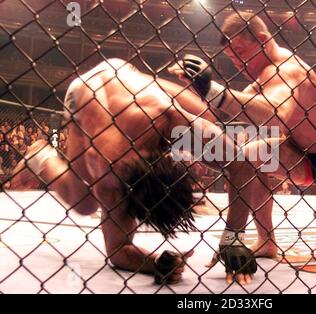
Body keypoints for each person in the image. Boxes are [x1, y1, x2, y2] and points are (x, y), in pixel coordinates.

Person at [168, 12, 316, 266]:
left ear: (262, 40)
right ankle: (266, 240)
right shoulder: (265, 75)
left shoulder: (288, 70)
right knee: (247, 159)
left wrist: (215, 91)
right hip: (297, 153)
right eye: (232, 57)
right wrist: (196, 92)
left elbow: (276, 114)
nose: (238, 63)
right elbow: (240, 108)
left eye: (240, 52)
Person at [9, 58, 266, 285]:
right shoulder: (107, 169)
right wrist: (154, 262)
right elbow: (118, 250)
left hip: (130, 78)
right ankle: (40, 156)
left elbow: (242, 165)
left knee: (206, 115)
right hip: (84, 94)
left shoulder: (171, 118)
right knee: (84, 203)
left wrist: (233, 237)